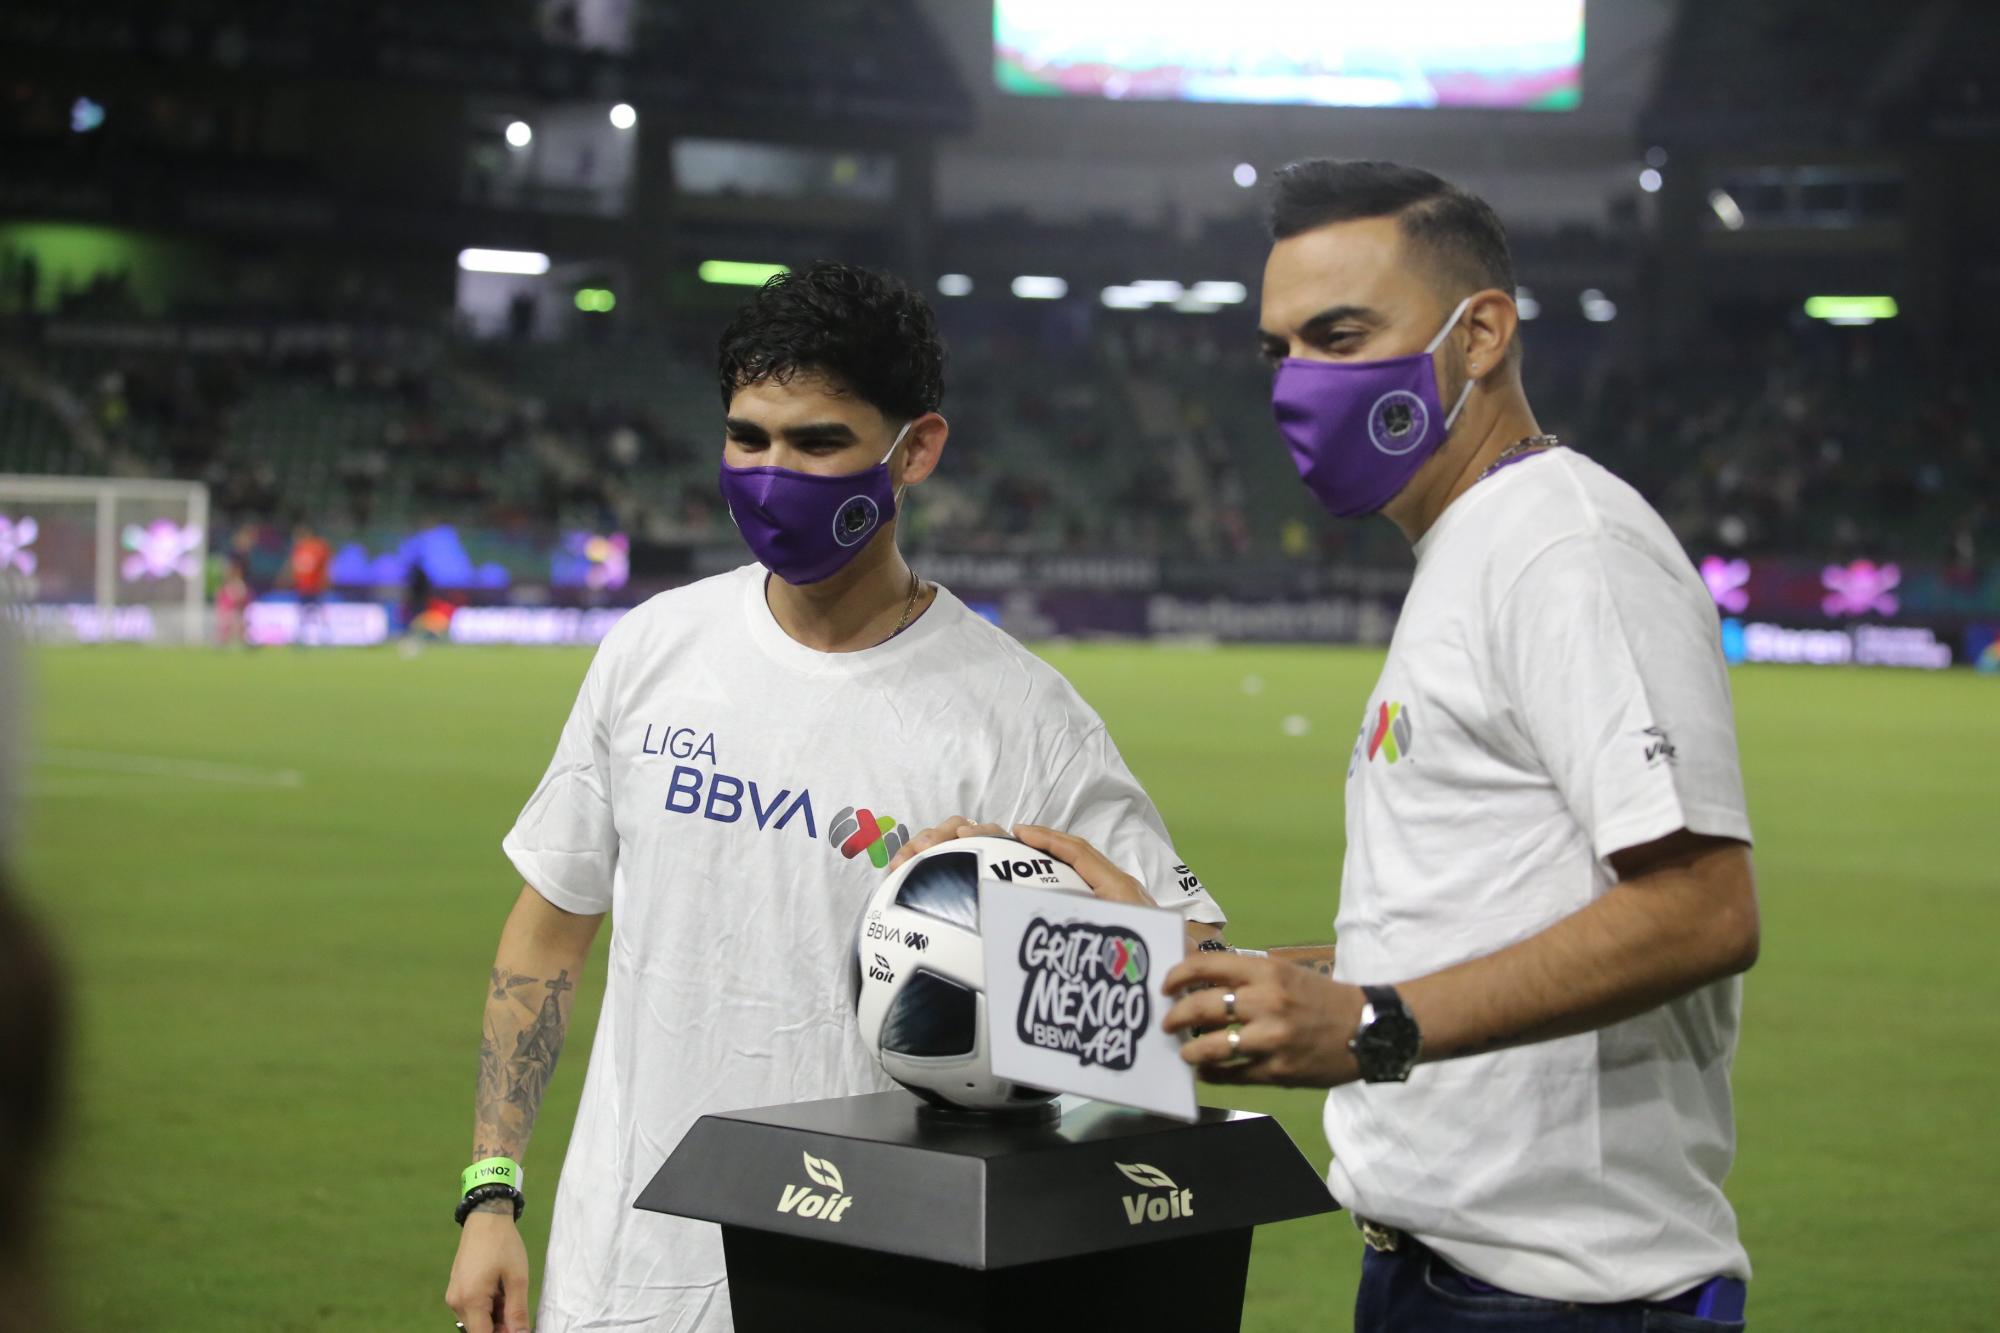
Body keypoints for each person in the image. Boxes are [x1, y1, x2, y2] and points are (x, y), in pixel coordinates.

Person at [901, 161, 1759, 1331]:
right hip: (1435, 1273)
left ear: (1481, 333)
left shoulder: (1567, 549)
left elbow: (1702, 909)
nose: (1302, 381)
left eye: (1342, 334)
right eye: (1280, 349)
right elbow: (1443, 940)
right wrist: (1185, 972)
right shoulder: (1468, 551)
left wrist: (1368, 1027)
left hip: (1565, 1297)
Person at [443, 261, 1226, 1333]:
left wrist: (1035, 924)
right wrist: (492, 1190)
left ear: (916, 450)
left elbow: (1184, 994)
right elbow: (546, 934)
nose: (771, 475)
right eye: (745, 438)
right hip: (618, 1274)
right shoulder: (652, 651)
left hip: (872, 1280)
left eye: (815, 443)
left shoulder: (1021, 719)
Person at [282, 522, 331, 645]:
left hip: (315, 587)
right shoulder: (298, 550)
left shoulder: (318, 548)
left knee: (319, 611)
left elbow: (325, 566)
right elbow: (293, 567)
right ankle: (301, 636)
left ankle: (325, 635)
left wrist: (325, 581)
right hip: (302, 588)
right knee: (302, 612)